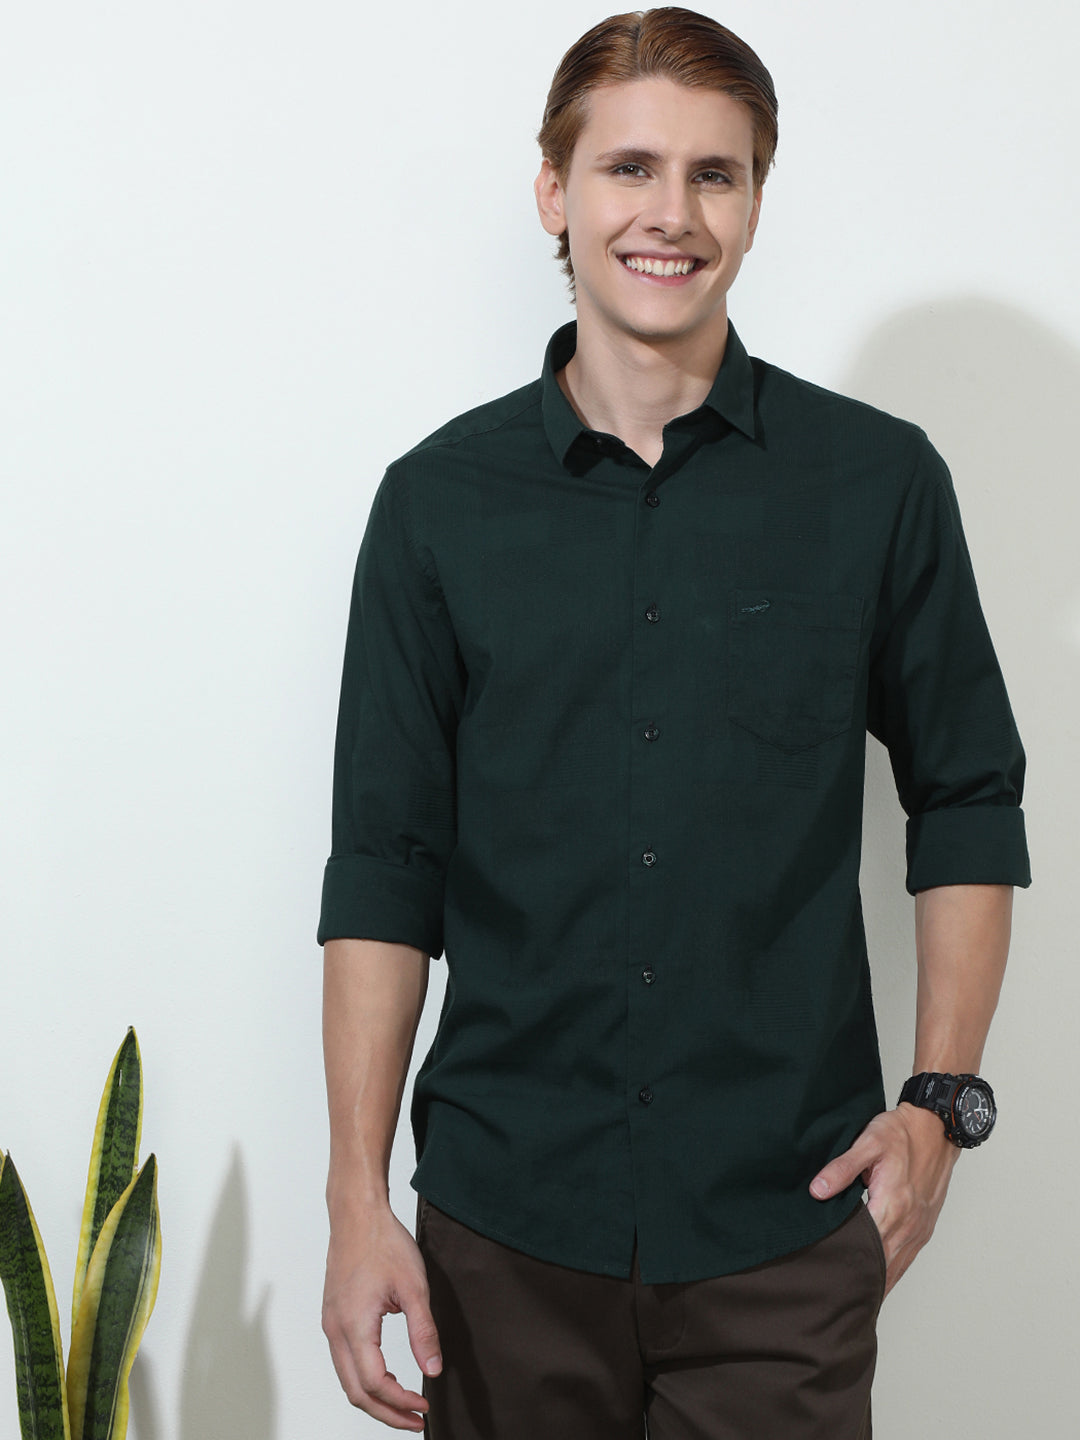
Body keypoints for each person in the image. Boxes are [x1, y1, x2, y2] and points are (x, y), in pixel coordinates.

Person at [317, 8, 1030, 1437]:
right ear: (554, 191)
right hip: (503, 1233)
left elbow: (966, 799)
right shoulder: (436, 506)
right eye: (630, 167)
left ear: (757, 201)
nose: (672, 213)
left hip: (785, 1230)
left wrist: (941, 1107)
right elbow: (385, 871)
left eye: (716, 173)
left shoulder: (877, 483)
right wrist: (354, 1200)